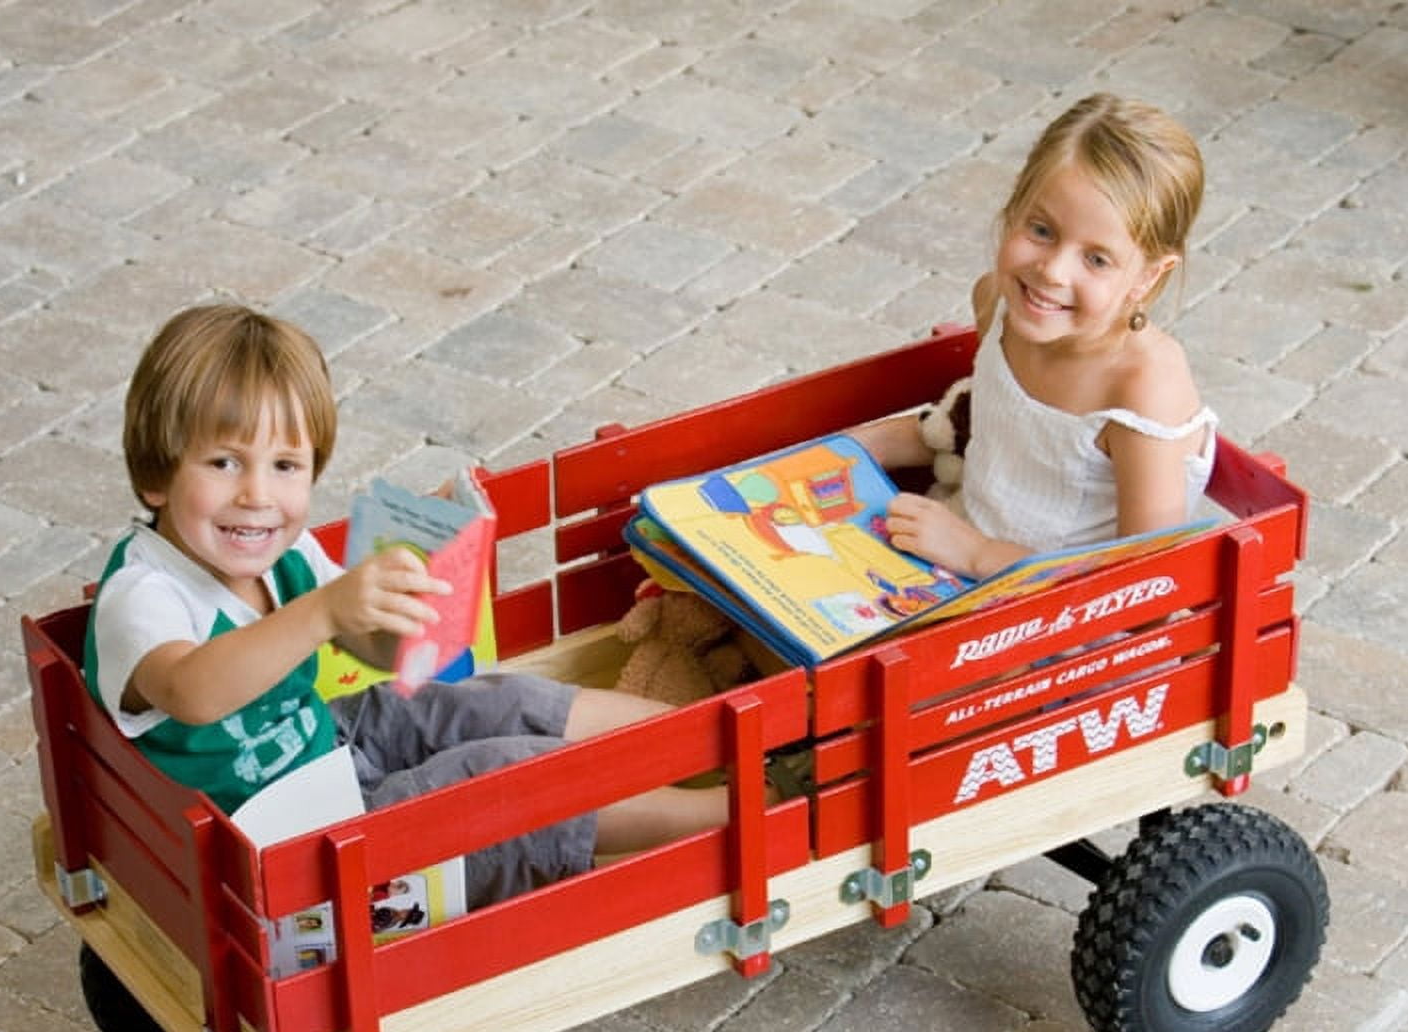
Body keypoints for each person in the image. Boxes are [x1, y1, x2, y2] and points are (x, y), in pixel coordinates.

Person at [85, 303, 743, 909]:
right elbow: (193, 692)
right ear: (156, 475)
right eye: (224, 463)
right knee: (497, 779)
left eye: (285, 466)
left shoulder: (282, 554)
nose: (257, 495)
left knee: (488, 704)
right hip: (296, 850)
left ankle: (721, 734)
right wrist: (324, 612)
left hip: (327, 746)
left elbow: (366, 645)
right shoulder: (142, 595)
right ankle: (735, 807)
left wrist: (403, 614)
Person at [851, 93, 1216, 578]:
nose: (1052, 271)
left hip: (1053, 612)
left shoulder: (1143, 390)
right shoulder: (997, 302)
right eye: (1041, 230)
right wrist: (860, 446)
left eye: (1097, 259)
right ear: (1015, 207)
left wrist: (978, 553)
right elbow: (996, 438)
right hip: (949, 553)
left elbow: (1147, 585)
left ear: (1148, 276)